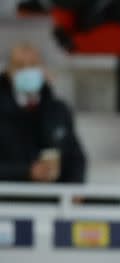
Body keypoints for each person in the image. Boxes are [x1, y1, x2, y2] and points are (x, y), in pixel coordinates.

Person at [0, 42, 86, 183]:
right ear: (8, 71)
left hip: (52, 196)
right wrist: (26, 172)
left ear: (42, 70)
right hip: (8, 195)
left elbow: (75, 156)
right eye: (20, 66)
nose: (27, 71)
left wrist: (75, 188)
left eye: (33, 65)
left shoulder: (57, 109)